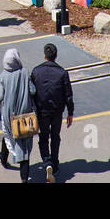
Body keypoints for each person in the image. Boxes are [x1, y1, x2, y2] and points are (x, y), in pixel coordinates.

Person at [30, 42, 74, 182]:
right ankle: (54, 163)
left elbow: (32, 93)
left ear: (45, 56)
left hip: (42, 111)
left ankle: (47, 161)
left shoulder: (36, 71)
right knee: (55, 136)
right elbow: (68, 95)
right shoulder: (62, 72)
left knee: (43, 138)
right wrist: (70, 112)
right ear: (56, 56)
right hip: (57, 111)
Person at [0, 48, 37, 182]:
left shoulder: (2, 76)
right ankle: (24, 177)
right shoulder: (25, 73)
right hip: (25, 113)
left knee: (9, 136)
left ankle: (3, 157)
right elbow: (33, 90)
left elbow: (1, 96)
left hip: (9, 114)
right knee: (24, 141)